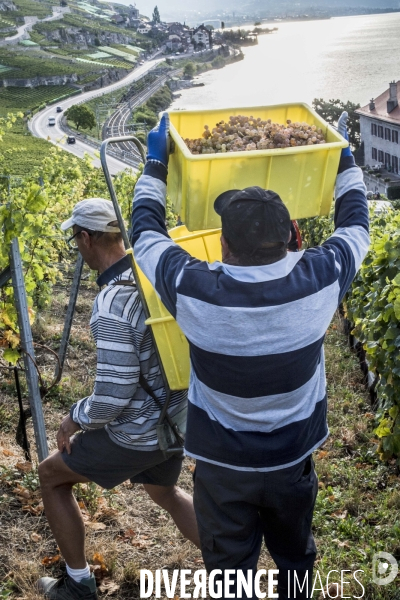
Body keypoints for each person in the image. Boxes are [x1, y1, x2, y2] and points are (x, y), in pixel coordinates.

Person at [130, 112, 369, 599]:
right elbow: (356, 222)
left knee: (228, 575)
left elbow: (146, 234)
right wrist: (343, 155)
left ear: (222, 244)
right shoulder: (319, 279)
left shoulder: (195, 289)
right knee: (296, 560)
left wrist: (156, 162)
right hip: (292, 459)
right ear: (290, 239)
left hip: (222, 467)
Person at [37, 198, 200, 600]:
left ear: (87, 238)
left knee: (50, 476)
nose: (77, 247)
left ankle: (78, 585)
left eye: (76, 238)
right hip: (175, 420)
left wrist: (72, 419)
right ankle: (234, 565)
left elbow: (111, 398)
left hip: (138, 433)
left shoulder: (112, 301)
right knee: (165, 493)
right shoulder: (155, 274)